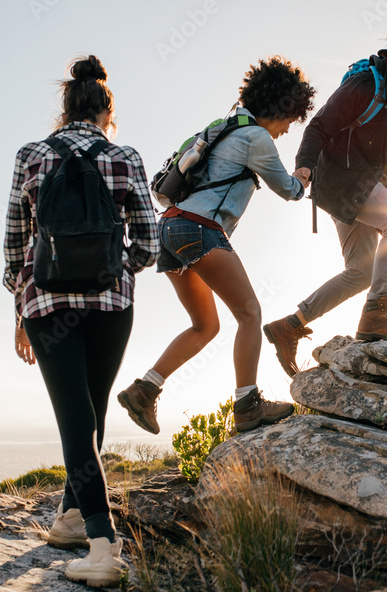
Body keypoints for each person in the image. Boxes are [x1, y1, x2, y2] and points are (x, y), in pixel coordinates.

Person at [3, 55, 159, 588]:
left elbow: (14, 243)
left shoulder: (31, 155)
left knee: (76, 417)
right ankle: (72, 521)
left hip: (48, 303)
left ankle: (103, 544)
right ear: (105, 113)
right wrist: (120, 269)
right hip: (112, 306)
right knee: (89, 412)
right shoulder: (125, 156)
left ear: (65, 106)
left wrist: (20, 305)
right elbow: (149, 240)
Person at [116, 57, 315, 435]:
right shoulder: (256, 137)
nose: (289, 128)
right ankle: (248, 405)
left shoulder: (221, 125)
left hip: (170, 228)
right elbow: (289, 190)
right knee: (251, 314)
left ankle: (144, 390)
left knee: (205, 325)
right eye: (291, 118)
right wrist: (303, 176)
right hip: (199, 230)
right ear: (281, 106)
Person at [263, 22, 387, 378]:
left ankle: (290, 324)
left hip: (369, 187)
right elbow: (318, 126)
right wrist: (303, 168)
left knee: (362, 271)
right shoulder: (365, 85)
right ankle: (378, 311)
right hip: (340, 179)